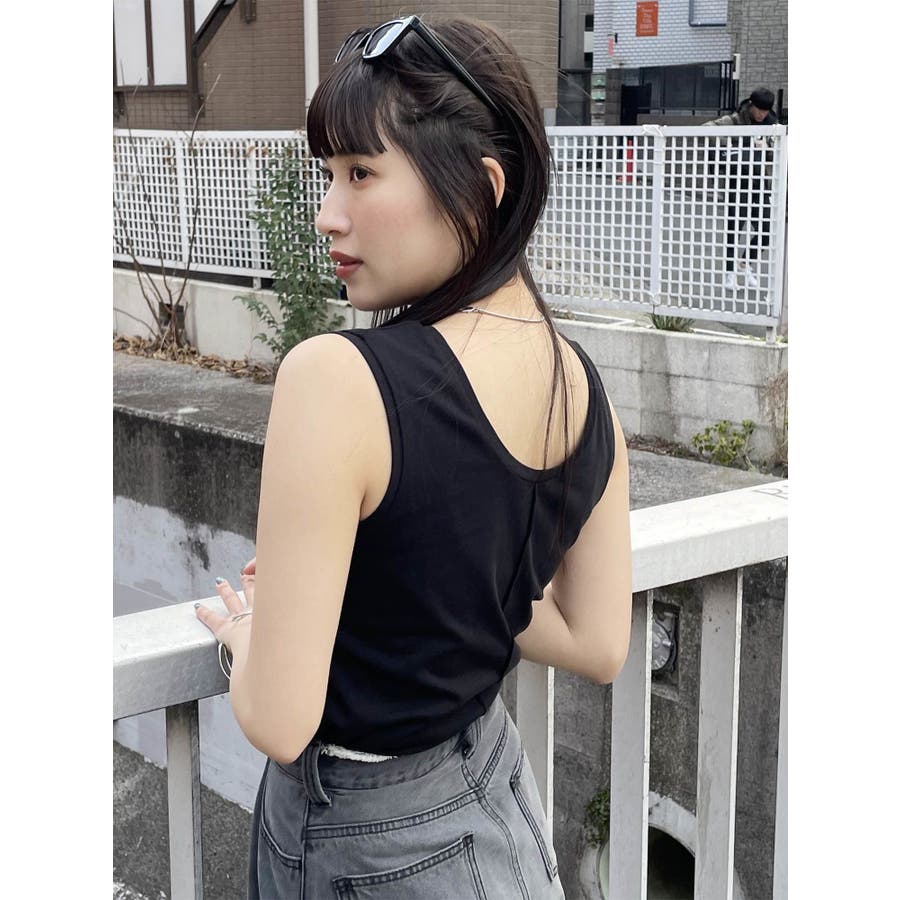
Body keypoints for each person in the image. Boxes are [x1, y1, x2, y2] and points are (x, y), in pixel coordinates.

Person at [194, 15, 632, 898]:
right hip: (496, 805)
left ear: (481, 188)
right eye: (327, 174)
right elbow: (597, 644)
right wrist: (418, 588)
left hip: (370, 844)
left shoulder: (336, 378)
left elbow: (280, 721)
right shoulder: (581, 388)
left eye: (361, 172)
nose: (328, 214)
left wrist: (249, 640)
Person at [705, 88, 779, 290]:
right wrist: (733, 145)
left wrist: (767, 150)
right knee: (735, 230)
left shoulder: (771, 126)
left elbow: (775, 153)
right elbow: (706, 129)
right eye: (759, 109)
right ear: (751, 105)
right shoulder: (735, 120)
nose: (762, 114)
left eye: (765, 111)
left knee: (766, 229)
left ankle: (745, 264)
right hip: (736, 182)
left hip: (759, 184)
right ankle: (730, 274)